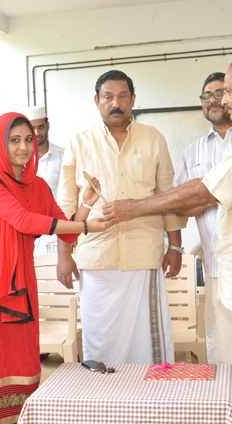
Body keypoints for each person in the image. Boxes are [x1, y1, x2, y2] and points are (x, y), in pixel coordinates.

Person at [103, 54, 232, 424]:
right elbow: (201, 191)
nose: (224, 99)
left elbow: (206, 190)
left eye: (229, 91)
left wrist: (134, 207)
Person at [0, 112, 108, 423]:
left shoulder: (37, 186)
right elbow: (22, 220)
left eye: (28, 139)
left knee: (22, 360)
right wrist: (86, 227)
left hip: (20, 284)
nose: (24, 147)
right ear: (0, 143)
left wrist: (87, 204)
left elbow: (67, 230)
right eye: (14, 140)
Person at [56, 69, 186, 364]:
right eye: (108, 97)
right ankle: (106, 389)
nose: (116, 104)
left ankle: (149, 389)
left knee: (147, 338)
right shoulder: (79, 142)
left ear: (133, 99)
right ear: (97, 101)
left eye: (123, 97)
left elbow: (168, 196)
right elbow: (65, 204)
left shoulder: (153, 139)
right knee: (100, 336)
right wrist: (64, 254)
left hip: (143, 255)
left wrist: (175, 247)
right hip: (96, 258)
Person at [173, 71, 232, 367]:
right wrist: (217, 194)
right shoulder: (192, 153)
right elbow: (180, 206)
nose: (212, 100)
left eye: (219, 93)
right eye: (206, 95)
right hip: (215, 267)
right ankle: (226, 395)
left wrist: (203, 195)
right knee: (219, 341)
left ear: (231, 97)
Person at [24, 106, 65, 256]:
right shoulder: (19, 161)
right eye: (32, 128)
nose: (37, 133)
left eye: (40, 127)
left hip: (56, 237)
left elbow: (71, 197)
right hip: (27, 238)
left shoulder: (64, 156)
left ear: (48, 126)